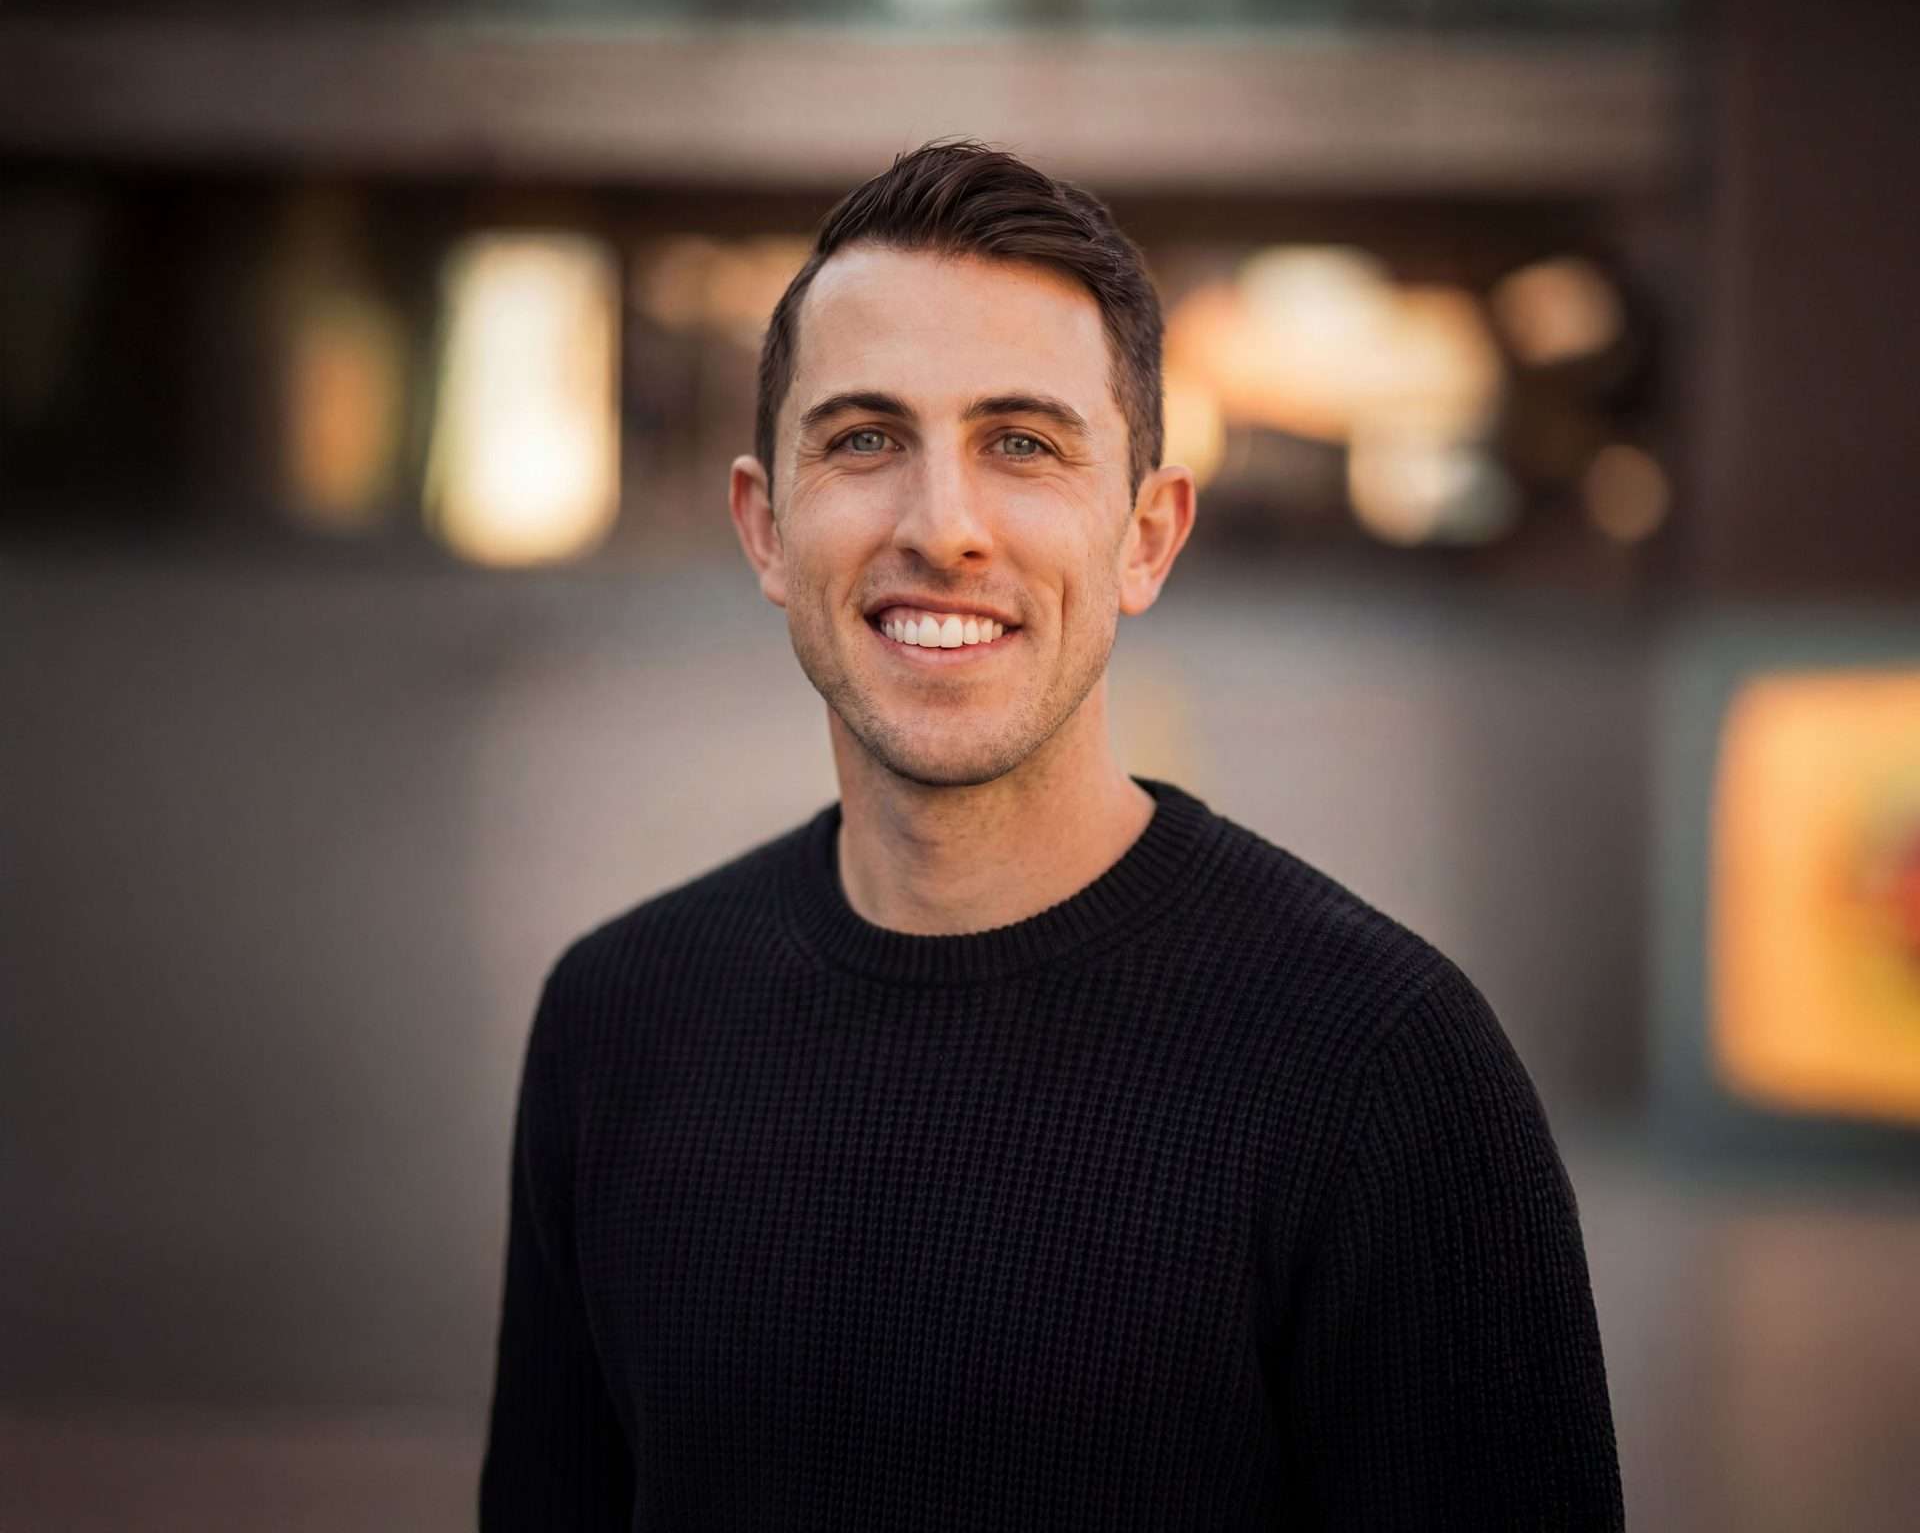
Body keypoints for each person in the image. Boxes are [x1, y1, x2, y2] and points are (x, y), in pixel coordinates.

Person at [479, 138, 1624, 1530]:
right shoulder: (619, 1025)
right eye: (864, 440)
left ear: (1146, 537)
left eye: (1021, 444)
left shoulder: (1382, 1075)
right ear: (765, 528)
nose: (943, 524)